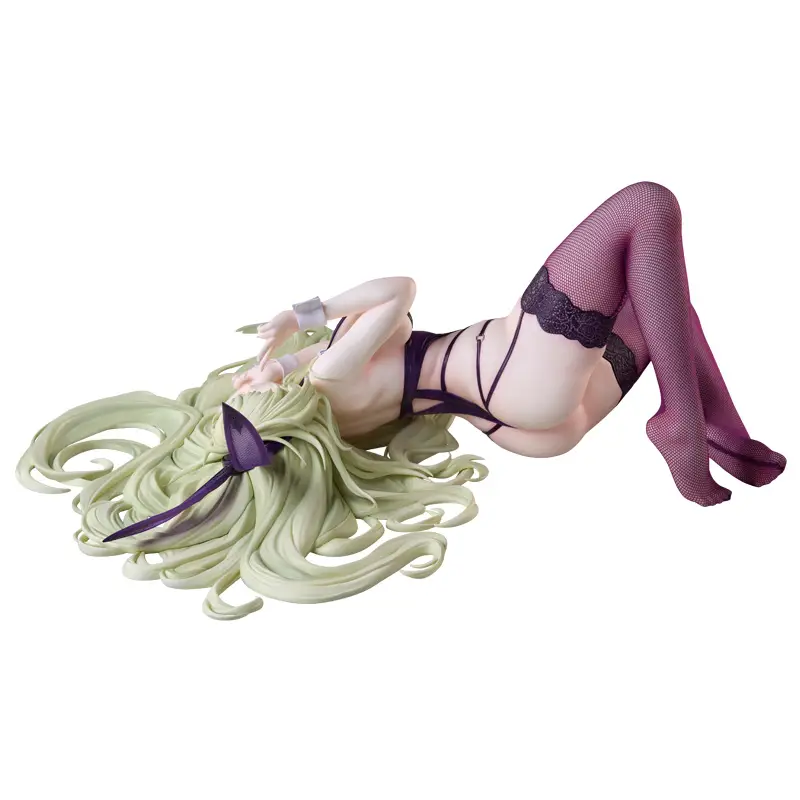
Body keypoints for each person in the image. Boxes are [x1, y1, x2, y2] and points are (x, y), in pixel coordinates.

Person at [17, 181, 786, 620]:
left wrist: (290, 347)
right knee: (647, 207)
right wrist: (303, 312)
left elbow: (356, 340)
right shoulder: (328, 377)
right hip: (512, 366)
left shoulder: (329, 400)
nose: (248, 376)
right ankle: (683, 423)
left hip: (526, 421)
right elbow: (398, 292)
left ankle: (704, 427)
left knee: (661, 299)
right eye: (244, 390)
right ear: (266, 409)